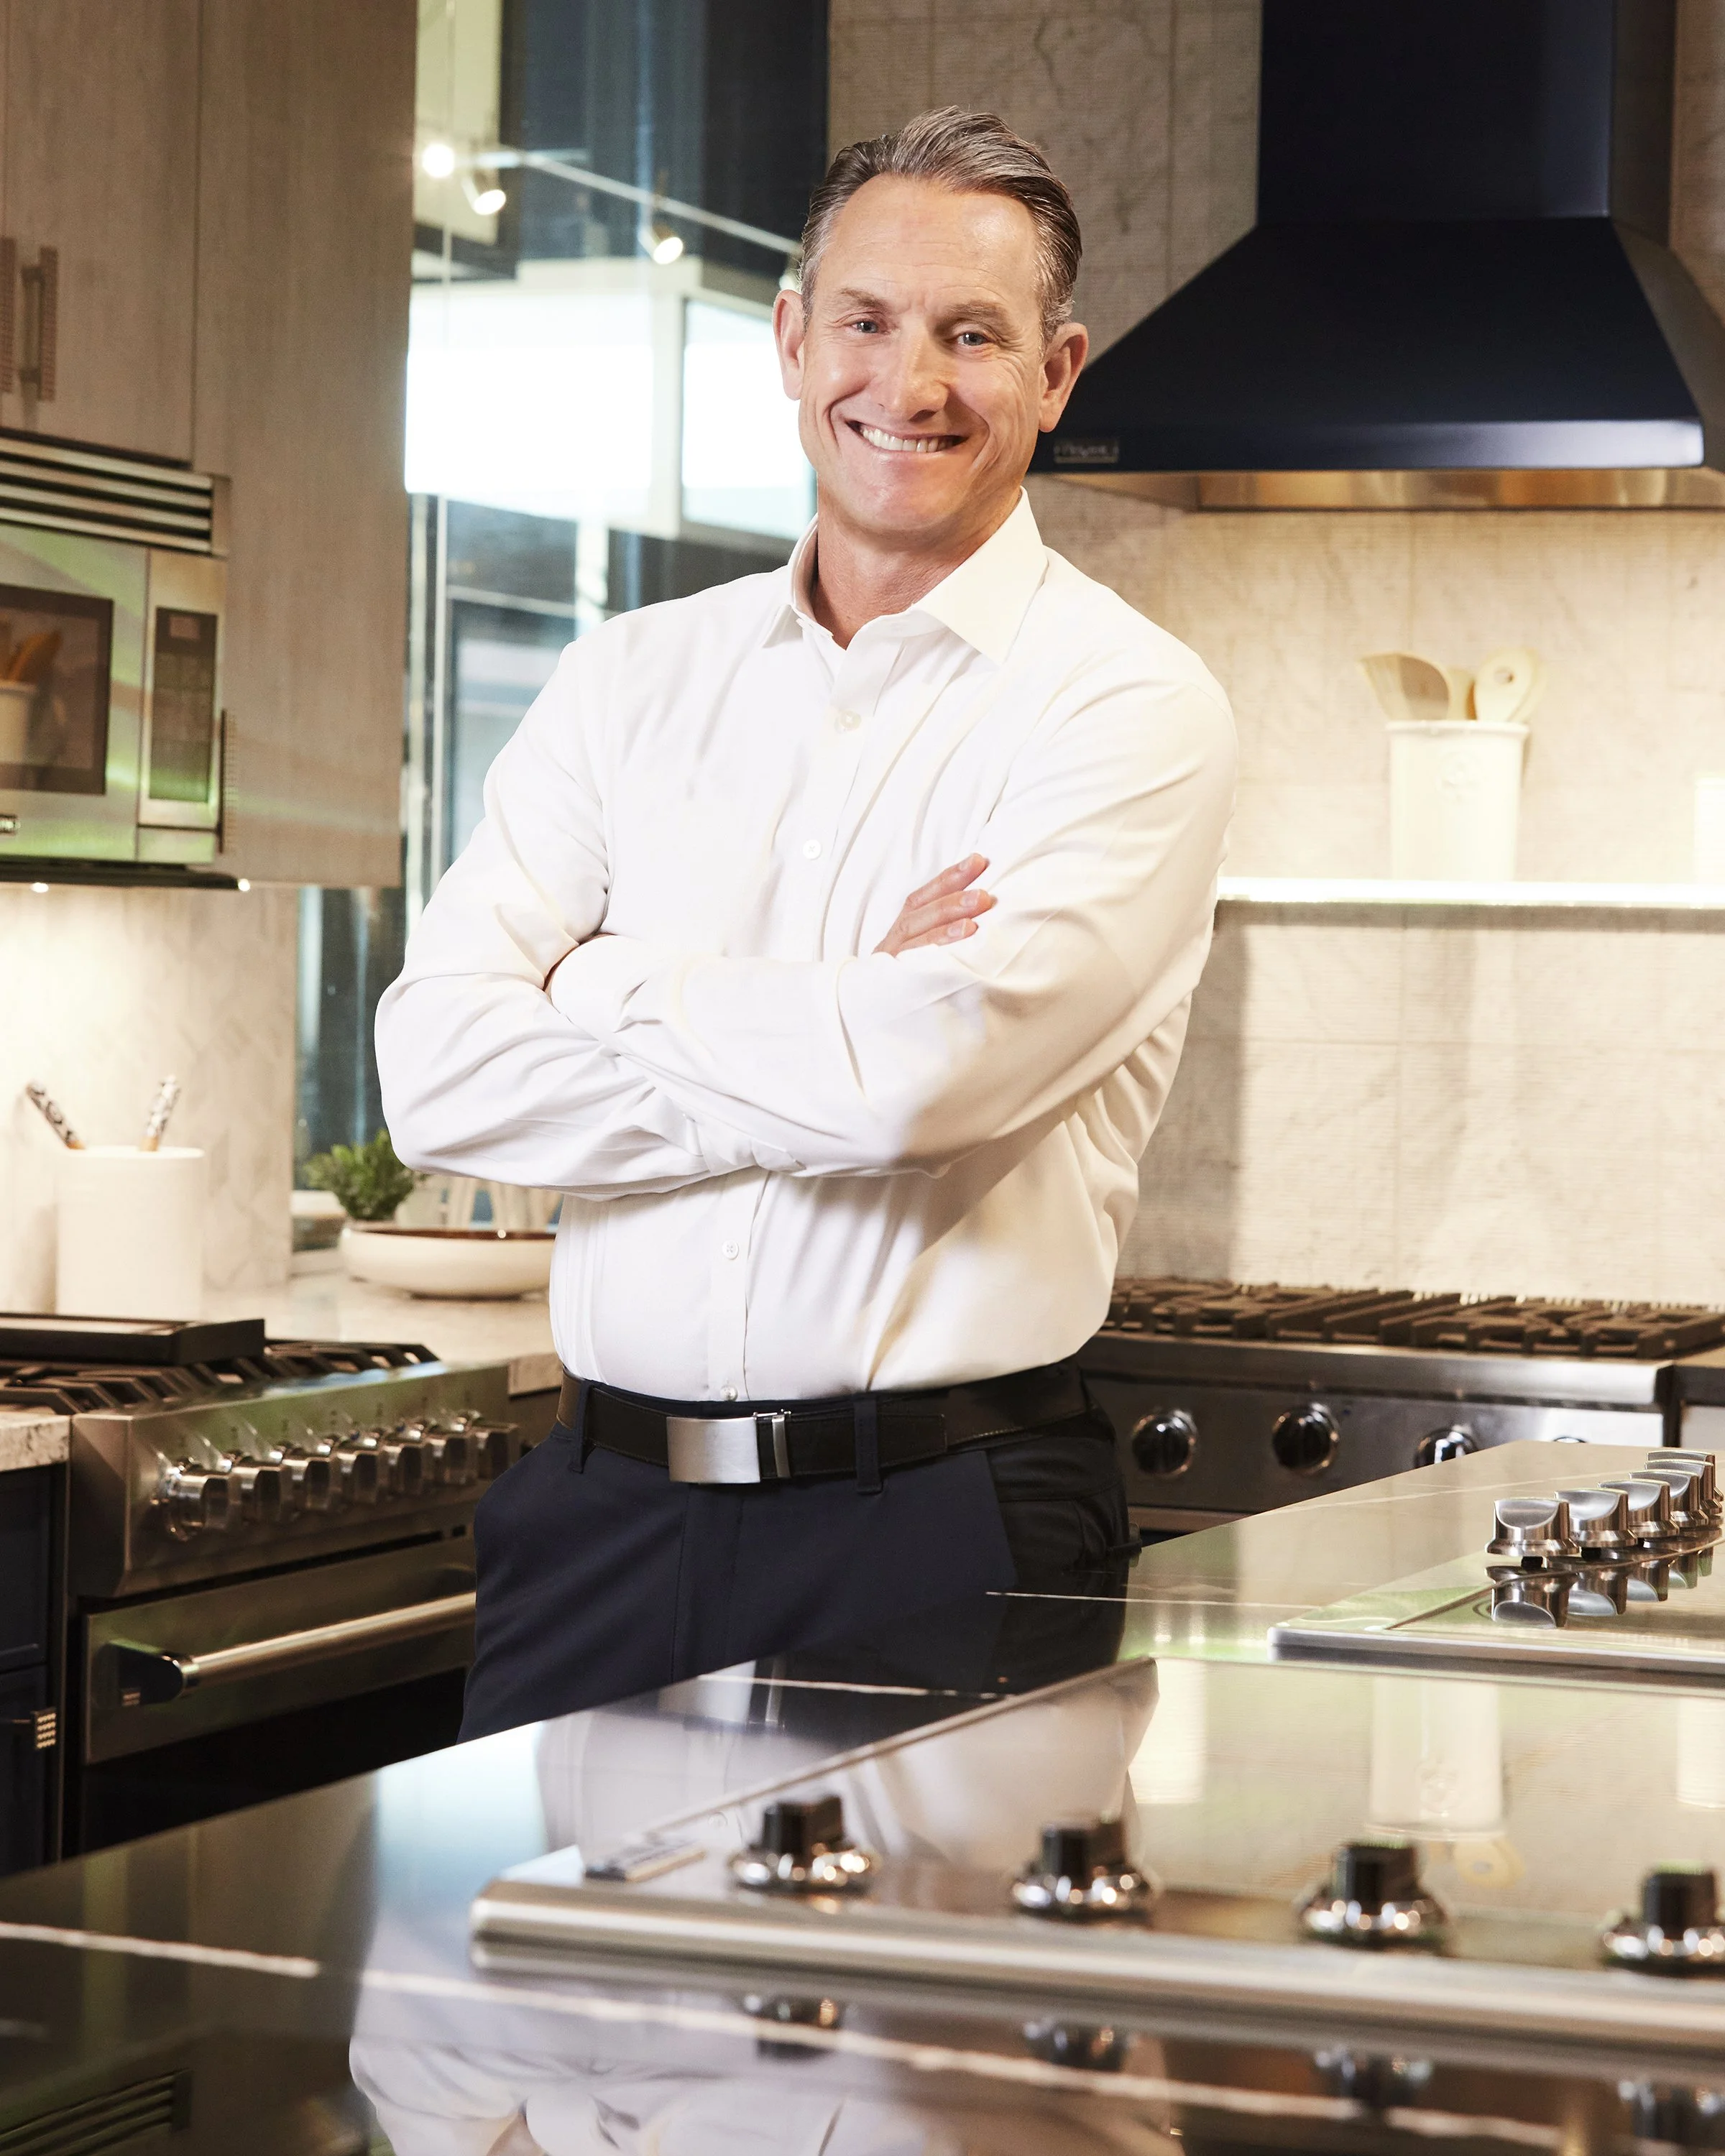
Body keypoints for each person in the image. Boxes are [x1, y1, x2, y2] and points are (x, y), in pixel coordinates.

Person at [376, 106, 1236, 1740]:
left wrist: (601, 980)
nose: (907, 385)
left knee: (907, 2002)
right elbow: (438, 1081)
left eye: (970, 335)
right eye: (866, 320)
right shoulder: (628, 680)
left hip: (936, 1519)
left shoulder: (1129, 707)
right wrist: (836, 1005)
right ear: (790, 340)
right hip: (600, 1523)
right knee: (548, 2001)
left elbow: (925, 1086)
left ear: (1054, 376)